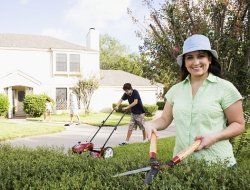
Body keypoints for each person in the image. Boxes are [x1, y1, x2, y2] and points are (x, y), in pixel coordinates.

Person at [145, 34, 245, 167]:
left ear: (209, 59)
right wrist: (151, 124)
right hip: (182, 164)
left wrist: (214, 137)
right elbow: (164, 120)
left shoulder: (225, 88)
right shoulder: (175, 90)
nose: (196, 62)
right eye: (190, 57)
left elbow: (238, 124)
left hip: (219, 164)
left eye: (201, 56)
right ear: (185, 62)